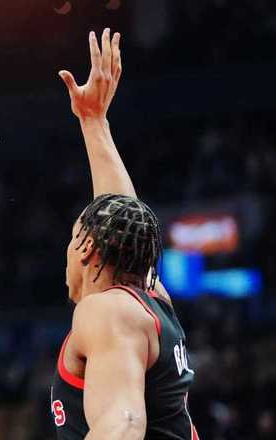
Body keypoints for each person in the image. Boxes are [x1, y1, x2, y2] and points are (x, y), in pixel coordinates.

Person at [50, 29, 200, 439]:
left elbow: (125, 424)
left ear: (86, 247)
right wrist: (93, 121)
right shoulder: (150, 300)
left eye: (72, 238)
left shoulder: (109, 312)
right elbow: (122, 216)